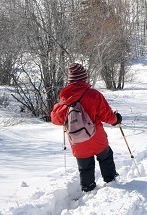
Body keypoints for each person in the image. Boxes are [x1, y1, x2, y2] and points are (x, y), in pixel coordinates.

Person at [51, 63, 122, 193]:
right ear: (84, 78)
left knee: (85, 167)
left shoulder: (65, 97)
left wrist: (59, 105)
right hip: (97, 137)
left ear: (70, 80)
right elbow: (107, 115)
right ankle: (111, 182)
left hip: (77, 140)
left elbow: (56, 119)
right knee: (106, 157)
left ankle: (88, 189)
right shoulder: (93, 94)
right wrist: (116, 119)